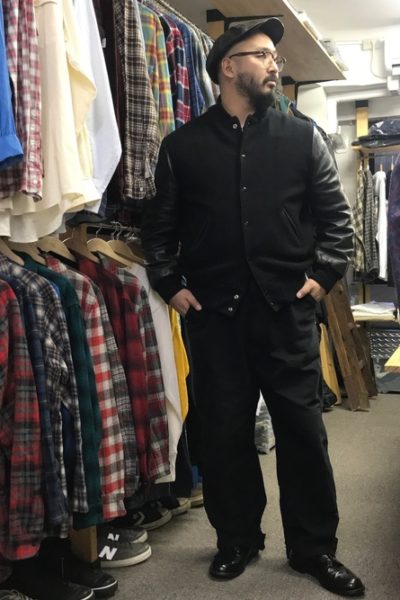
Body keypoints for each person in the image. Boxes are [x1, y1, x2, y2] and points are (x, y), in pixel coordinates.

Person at [141, 18, 365, 598]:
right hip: (214, 318)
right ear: (227, 67)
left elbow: (337, 223)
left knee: (303, 434)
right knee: (224, 434)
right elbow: (159, 231)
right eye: (262, 55)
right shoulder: (182, 146)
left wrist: (322, 277)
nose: (273, 65)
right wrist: (170, 284)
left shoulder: (302, 137)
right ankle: (237, 539)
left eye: (275, 57)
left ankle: (314, 548)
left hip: (286, 313)